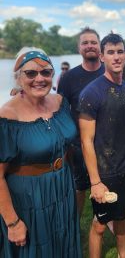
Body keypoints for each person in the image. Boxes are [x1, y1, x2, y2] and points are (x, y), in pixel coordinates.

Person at [0, 47, 81, 257]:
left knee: (63, 242)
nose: (40, 78)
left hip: (62, 187)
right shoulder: (8, 117)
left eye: (46, 72)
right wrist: (13, 222)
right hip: (29, 198)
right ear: (18, 78)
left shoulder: (60, 102)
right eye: (31, 73)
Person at [78, 33, 125, 258]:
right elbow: (86, 140)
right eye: (111, 52)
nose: (116, 57)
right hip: (104, 171)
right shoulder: (91, 93)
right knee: (99, 224)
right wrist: (95, 182)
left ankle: (123, 254)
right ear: (103, 56)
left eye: (119, 52)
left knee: (122, 214)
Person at [58, 27, 105, 217]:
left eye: (93, 42)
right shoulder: (69, 78)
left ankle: (104, 218)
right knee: (80, 185)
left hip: (106, 142)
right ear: (79, 48)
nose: (90, 46)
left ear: (100, 47)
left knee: (106, 181)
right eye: (85, 43)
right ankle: (75, 222)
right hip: (78, 143)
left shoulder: (110, 73)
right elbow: (60, 109)